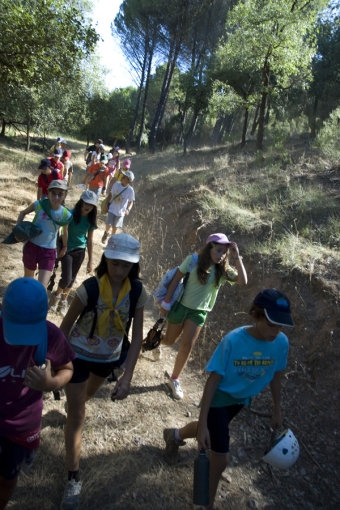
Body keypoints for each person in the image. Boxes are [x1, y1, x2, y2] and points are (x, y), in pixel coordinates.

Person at [162, 288, 294, 510]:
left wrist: (277, 408)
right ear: (255, 315)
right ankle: (206, 505)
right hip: (219, 397)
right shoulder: (234, 340)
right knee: (220, 459)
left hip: (241, 400)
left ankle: (174, 435)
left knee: (210, 432)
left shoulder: (281, 343)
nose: (276, 331)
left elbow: (277, 375)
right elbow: (213, 382)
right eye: (271, 324)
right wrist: (203, 422)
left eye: (281, 325)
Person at [59, 233, 147, 510]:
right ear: (106, 259)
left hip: (107, 359)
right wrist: (54, 362)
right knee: (77, 415)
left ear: (134, 266)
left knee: (84, 399)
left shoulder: (137, 292)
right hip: (78, 357)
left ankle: (73, 407)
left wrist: (128, 376)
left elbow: (138, 336)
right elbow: (64, 327)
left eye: (126, 266)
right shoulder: (89, 289)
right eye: (115, 264)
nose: (120, 271)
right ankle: (73, 478)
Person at [0, 277, 75, 510]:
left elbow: (68, 368)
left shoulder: (50, 336)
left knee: (7, 478)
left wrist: (51, 383)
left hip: (21, 427)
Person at [158, 233, 248, 400]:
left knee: (187, 346)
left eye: (224, 252)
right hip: (180, 307)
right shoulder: (193, 260)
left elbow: (243, 281)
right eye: (219, 250)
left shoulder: (224, 271)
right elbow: (176, 279)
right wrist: (166, 302)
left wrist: (237, 256)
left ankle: (174, 378)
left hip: (199, 312)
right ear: (210, 248)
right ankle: (155, 342)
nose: (222, 255)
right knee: (170, 341)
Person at [49, 190, 98, 317]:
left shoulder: (91, 220)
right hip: (67, 249)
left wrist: (90, 260)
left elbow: (90, 241)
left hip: (80, 250)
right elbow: (58, 231)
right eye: (86, 203)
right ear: (81, 202)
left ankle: (63, 302)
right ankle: (56, 297)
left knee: (72, 279)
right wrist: (58, 247)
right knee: (66, 278)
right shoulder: (70, 214)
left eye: (91, 204)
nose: (88, 206)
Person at [17, 180, 72, 288]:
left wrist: (65, 247)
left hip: (49, 251)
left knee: (41, 287)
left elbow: (64, 232)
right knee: (28, 282)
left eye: (60, 194)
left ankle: (35, 304)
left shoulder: (66, 214)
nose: (56, 197)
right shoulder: (39, 205)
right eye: (53, 193)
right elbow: (23, 212)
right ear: (48, 192)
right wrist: (17, 229)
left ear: (65, 195)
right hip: (31, 247)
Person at [101, 170, 135, 244]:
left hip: (121, 212)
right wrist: (106, 204)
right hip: (112, 208)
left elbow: (131, 201)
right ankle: (106, 233)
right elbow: (110, 194)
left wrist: (128, 209)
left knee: (115, 227)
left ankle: (111, 240)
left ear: (128, 180)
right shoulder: (116, 184)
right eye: (123, 175)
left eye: (125, 177)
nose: (122, 177)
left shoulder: (130, 190)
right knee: (108, 224)